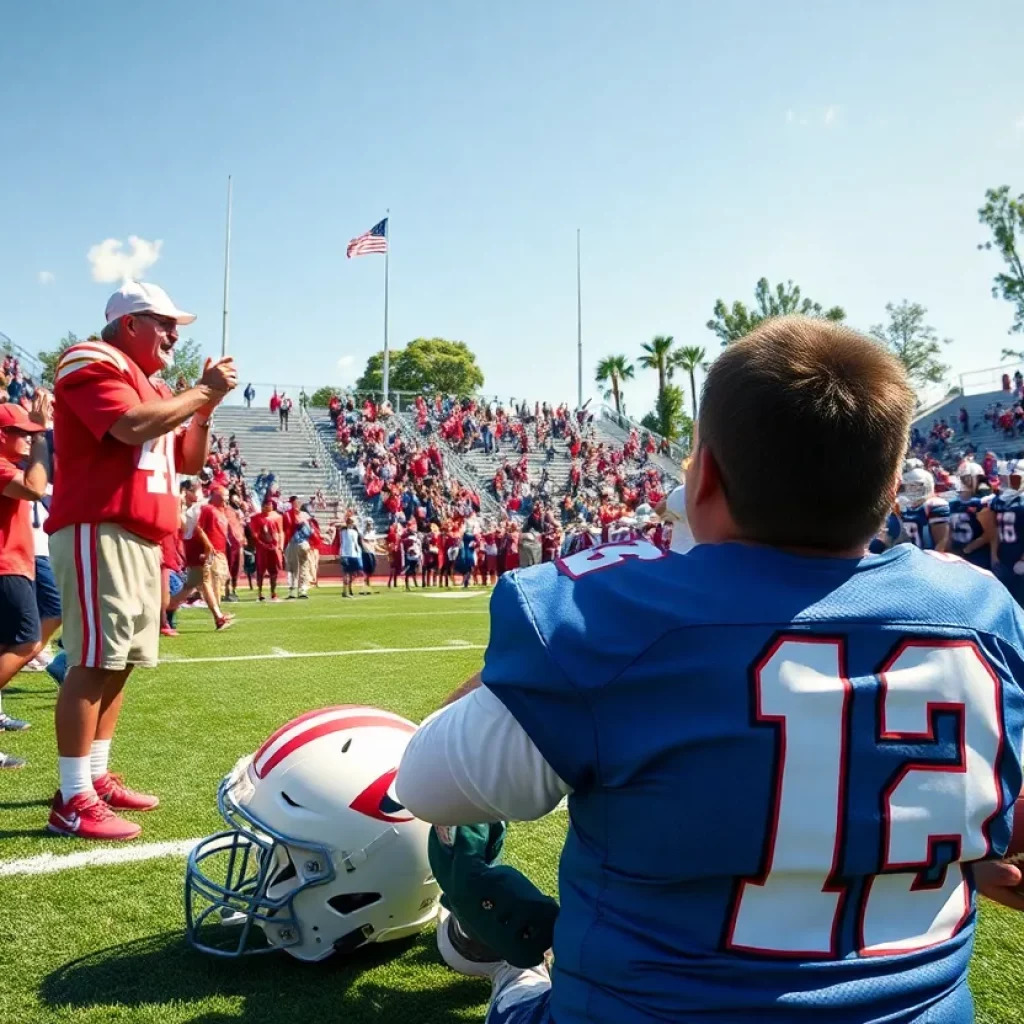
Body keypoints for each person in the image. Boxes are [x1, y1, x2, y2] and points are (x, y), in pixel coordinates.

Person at [396, 316, 1024, 1024]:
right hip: (920, 1010)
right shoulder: (980, 611)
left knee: (522, 987)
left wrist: (526, 672)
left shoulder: (610, 617)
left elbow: (424, 783)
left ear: (705, 477)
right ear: (887, 491)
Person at [45, 280, 236, 841]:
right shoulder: (92, 357)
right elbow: (127, 428)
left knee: (121, 660)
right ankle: (72, 798)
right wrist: (200, 392)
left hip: (141, 537)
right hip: (99, 526)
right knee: (94, 660)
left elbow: (190, 462)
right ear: (129, 324)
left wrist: (205, 409)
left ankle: (95, 778)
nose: (175, 333)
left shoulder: (151, 383)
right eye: (164, 322)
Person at [0, 398, 51, 767]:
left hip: (13, 566)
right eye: (23, 434)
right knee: (28, 642)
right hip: (6, 568)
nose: (29, 441)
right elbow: (34, 487)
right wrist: (43, 437)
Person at [250, 496, 285, 602]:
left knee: (274, 571)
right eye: (265, 505)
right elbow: (254, 534)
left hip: (274, 548)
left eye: (269, 505)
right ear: (262, 506)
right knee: (261, 570)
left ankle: (273, 593)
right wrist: (261, 544)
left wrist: (281, 546)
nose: (267, 507)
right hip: (262, 549)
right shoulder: (256, 518)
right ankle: (260, 592)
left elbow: (280, 532)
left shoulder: (277, 517)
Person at [339, 515, 362, 598]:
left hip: (348, 554)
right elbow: (355, 544)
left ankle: (347, 589)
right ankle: (347, 590)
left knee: (349, 573)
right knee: (348, 573)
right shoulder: (349, 532)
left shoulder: (345, 532)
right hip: (349, 554)